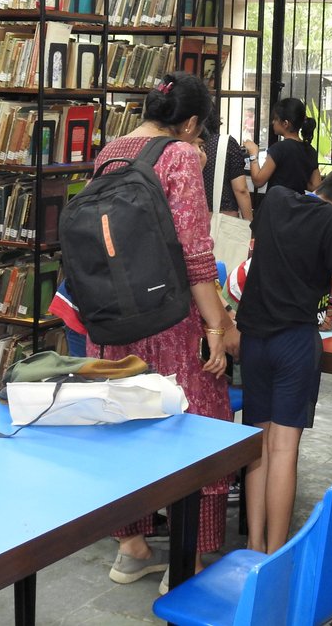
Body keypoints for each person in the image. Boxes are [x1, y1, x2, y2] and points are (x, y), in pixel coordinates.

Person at [87, 71, 238, 589]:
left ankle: (131, 548)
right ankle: (188, 561)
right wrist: (219, 324)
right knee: (196, 424)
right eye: (200, 130)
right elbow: (196, 256)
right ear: (191, 122)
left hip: (114, 319)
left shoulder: (110, 149)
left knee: (126, 424)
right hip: (169, 323)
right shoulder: (177, 157)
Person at [235, 164, 332, 554]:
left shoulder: (274, 200)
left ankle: (252, 545)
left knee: (259, 447)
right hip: (294, 342)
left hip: (253, 338)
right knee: (284, 451)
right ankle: (275, 553)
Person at [242, 97, 321, 194]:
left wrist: (253, 154)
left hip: (277, 205)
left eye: (276, 119)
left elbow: (258, 181)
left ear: (285, 123)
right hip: (298, 206)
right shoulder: (310, 150)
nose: (273, 122)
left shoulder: (279, 148)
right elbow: (315, 185)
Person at [199, 112, 252, 221]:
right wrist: (249, 225)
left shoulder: (181, 144)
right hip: (224, 216)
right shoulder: (226, 143)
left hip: (192, 217)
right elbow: (240, 189)